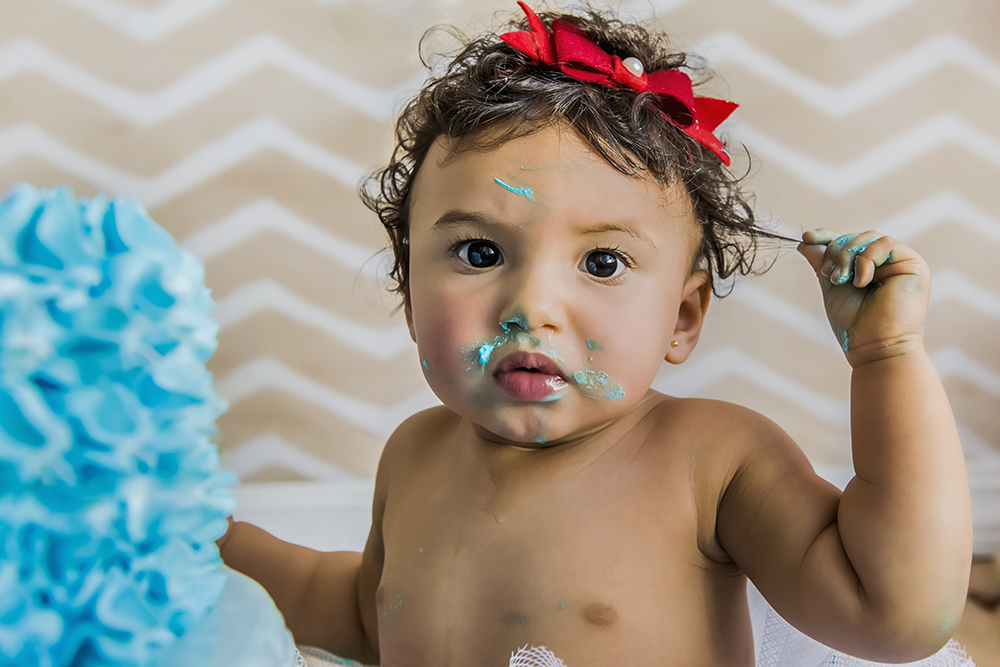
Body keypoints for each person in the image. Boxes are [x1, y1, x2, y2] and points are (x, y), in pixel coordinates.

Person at [217, 2, 975, 665]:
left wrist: (886, 356)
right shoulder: (414, 453)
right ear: (410, 296)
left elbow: (892, 610)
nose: (531, 306)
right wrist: (202, 538)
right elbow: (361, 613)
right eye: (480, 253)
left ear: (682, 317)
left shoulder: (711, 461)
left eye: (603, 261)